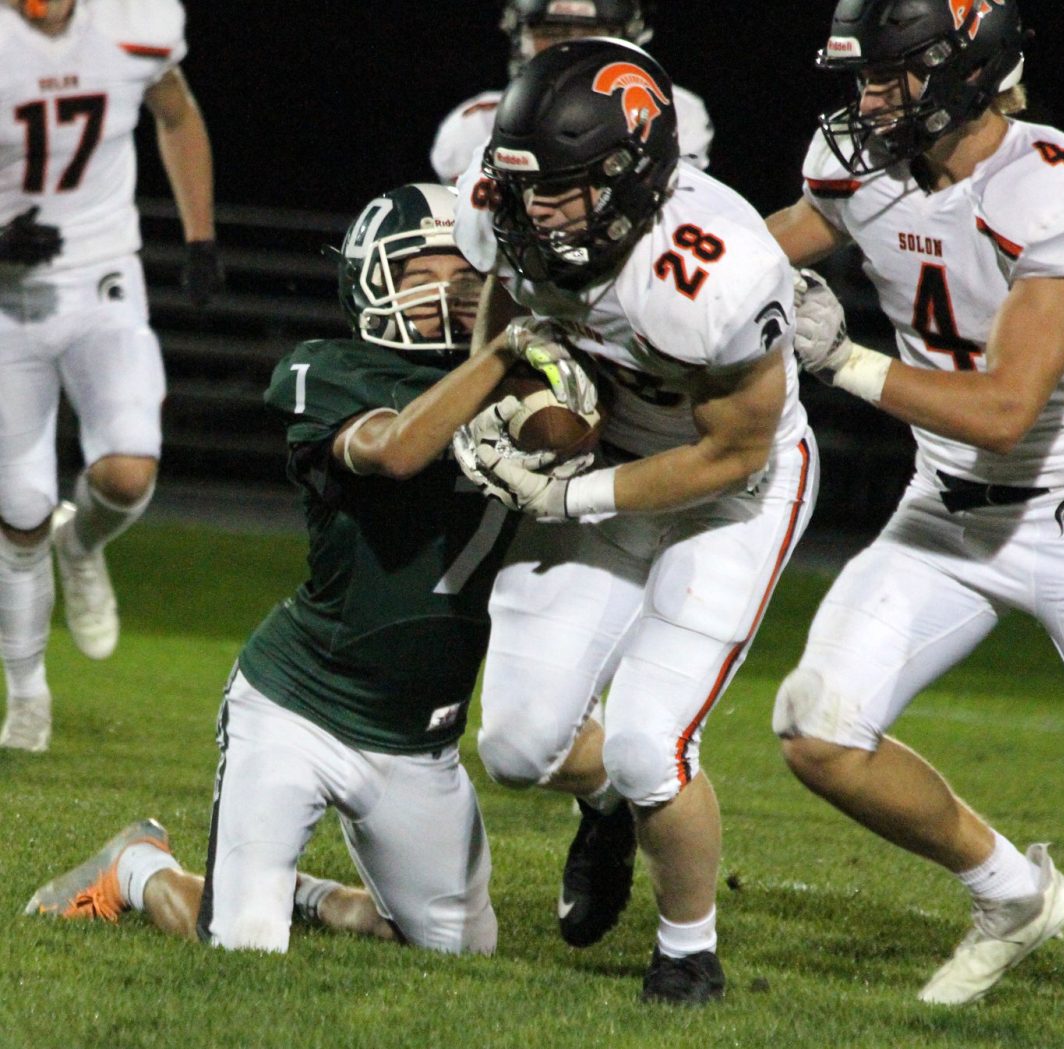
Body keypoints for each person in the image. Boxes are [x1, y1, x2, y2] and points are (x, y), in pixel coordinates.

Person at [766, 0, 1064, 1005]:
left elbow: (1005, 409)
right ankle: (1013, 891)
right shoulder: (855, 164)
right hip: (944, 516)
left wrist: (840, 359)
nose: (868, 97)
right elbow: (754, 256)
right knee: (816, 727)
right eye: (863, 76)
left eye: (893, 74)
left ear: (966, 71)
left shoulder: (1058, 181)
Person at [25, 183, 528, 955]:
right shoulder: (331, 369)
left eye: (469, 274)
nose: (452, 292)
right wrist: (503, 354)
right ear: (371, 280)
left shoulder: (517, 383)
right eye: (424, 272)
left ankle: (312, 894)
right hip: (299, 706)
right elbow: (397, 449)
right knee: (242, 942)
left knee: (455, 948)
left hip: (419, 739)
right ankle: (135, 867)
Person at [452, 38, 818, 1003]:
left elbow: (734, 451)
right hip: (610, 454)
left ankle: (687, 948)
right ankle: (608, 806)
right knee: (519, 745)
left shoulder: (715, 270)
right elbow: (502, 302)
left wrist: (568, 495)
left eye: (566, 188)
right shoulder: (507, 206)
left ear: (637, 171)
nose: (540, 211)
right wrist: (514, 399)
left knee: (651, 740)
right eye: (526, 186)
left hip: (735, 492)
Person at [0, 0, 221, 752]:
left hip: (102, 278)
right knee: (20, 507)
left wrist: (199, 235)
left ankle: (84, 543)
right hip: (5, 298)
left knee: (128, 472)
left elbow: (177, 114)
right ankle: (27, 693)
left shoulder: (136, 20)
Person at [429, 0, 713, 186]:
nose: (570, 48)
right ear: (519, 36)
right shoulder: (473, 126)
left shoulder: (668, 109)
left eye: (592, 34)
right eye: (552, 33)